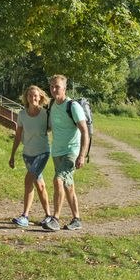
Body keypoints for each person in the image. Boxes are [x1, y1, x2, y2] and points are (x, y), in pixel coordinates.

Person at [44, 74, 89, 231]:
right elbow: (49, 127)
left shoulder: (73, 106)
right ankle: (76, 219)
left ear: (64, 88)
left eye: (57, 86)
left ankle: (55, 218)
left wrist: (82, 155)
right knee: (68, 185)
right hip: (57, 152)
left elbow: (84, 132)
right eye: (51, 86)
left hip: (71, 151)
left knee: (58, 180)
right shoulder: (52, 105)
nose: (54, 89)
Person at [7, 84, 54, 228]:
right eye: (30, 95)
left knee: (28, 180)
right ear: (26, 97)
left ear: (40, 97)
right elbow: (18, 135)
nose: (33, 98)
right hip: (27, 154)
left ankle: (25, 216)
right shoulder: (21, 114)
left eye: (35, 95)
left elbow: (54, 129)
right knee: (39, 185)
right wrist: (12, 155)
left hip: (42, 152)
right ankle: (48, 216)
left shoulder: (45, 114)